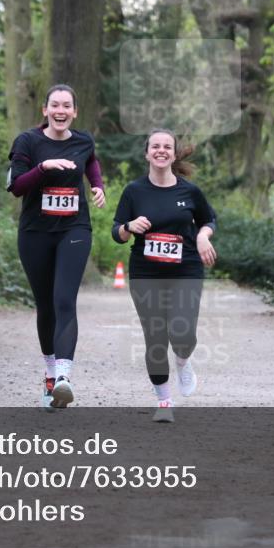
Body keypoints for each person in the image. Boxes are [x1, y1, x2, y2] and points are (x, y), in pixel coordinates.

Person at [7, 84, 105, 410]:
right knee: (46, 305)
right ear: (45, 111)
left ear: (74, 112)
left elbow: (90, 161)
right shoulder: (28, 142)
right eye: (55, 106)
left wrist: (98, 186)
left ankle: (64, 377)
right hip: (35, 232)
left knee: (64, 299)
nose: (61, 111)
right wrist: (43, 167)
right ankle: (50, 375)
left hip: (74, 228)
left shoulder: (83, 140)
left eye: (67, 106)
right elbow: (16, 186)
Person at [112, 129, 217, 422]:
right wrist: (129, 227)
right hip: (145, 271)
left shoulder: (189, 191)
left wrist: (203, 237)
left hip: (186, 269)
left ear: (173, 153)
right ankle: (164, 402)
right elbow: (117, 232)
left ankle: (183, 360)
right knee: (155, 337)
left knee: (182, 334)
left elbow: (208, 220)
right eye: (155, 146)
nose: (161, 150)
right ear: (147, 153)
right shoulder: (134, 191)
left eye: (166, 146)